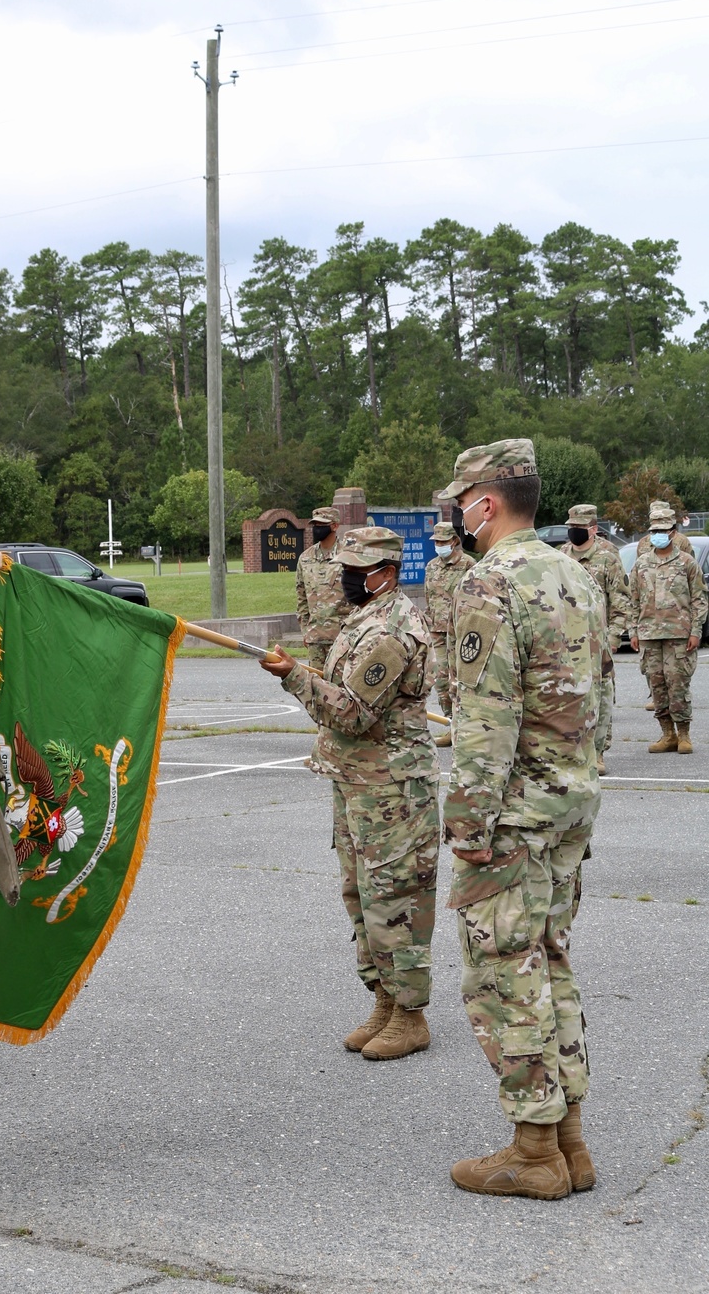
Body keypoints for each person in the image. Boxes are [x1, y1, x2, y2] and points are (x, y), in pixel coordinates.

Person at [441, 439, 604, 1201]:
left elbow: (485, 719)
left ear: (487, 502)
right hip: (569, 801)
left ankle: (534, 1150)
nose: (457, 511)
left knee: (506, 973)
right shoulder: (576, 574)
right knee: (550, 961)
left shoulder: (491, 581)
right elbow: (595, 695)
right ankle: (569, 1142)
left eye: (461, 499)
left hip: (512, 813)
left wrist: (468, 828)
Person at [262, 527, 439, 1061]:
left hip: (390, 787)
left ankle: (411, 1016)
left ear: (385, 573)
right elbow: (345, 686)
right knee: (362, 897)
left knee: (395, 900)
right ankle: (385, 1001)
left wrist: (294, 677)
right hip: (356, 780)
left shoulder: (393, 630)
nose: (343, 577)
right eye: (343, 567)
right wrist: (304, 672)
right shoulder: (364, 619)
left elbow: (353, 713)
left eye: (354, 569)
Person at [629, 500, 707, 755]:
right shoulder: (641, 564)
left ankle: (684, 734)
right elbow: (633, 600)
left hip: (678, 635)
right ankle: (667, 734)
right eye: (654, 531)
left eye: (663, 531)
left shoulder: (686, 562)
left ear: (673, 532)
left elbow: (699, 599)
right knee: (657, 686)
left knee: (678, 685)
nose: (659, 535)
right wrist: (633, 632)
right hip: (649, 635)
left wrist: (696, 630)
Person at [560, 504, 629, 775]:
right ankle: (572, 750)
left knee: (600, 697)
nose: (573, 532)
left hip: (598, 640)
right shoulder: (561, 555)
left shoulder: (608, 557)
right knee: (567, 696)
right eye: (571, 528)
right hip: (565, 640)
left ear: (592, 529)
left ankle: (598, 753)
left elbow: (621, 601)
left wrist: (613, 638)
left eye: (578, 528)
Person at [422, 520, 474, 748]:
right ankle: (452, 726)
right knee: (441, 679)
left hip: (461, 631)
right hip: (437, 632)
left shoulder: (469, 565)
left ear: (454, 541)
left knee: (462, 680)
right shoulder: (431, 566)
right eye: (436, 541)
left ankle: (467, 729)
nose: (439, 545)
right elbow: (428, 598)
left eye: (443, 541)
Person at [295, 506, 350, 671]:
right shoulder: (305, 558)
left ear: (334, 526)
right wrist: (305, 630)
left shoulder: (347, 556)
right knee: (318, 688)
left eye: (321, 524)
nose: (317, 529)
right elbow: (302, 597)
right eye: (315, 525)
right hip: (315, 638)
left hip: (342, 636)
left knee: (343, 688)